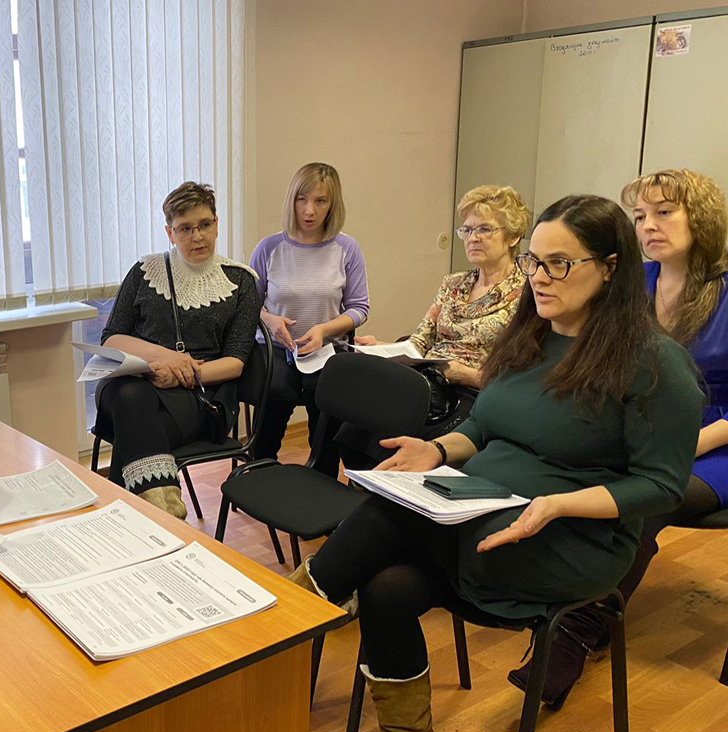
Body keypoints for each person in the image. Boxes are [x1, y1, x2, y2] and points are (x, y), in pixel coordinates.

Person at [290, 195, 703, 732]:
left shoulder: (656, 365)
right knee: (387, 587)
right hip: (481, 511)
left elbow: (661, 487)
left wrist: (559, 504)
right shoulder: (530, 334)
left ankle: (281, 628)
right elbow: (485, 425)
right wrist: (438, 449)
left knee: (389, 513)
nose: (539, 277)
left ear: (611, 267)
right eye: (535, 261)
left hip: (570, 540)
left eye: (559, 263)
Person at [507, 168, 728, 707]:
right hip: (641, 425)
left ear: (701, 218)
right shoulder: (634, 283)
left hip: (715, 441)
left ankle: (573, 634)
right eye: (640, 216)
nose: (648, 226)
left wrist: (686, 444)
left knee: (644, 499)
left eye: (664, 212)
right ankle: (560, 594)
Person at [95, 181, 261, 519]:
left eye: (205, 225)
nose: (197, 236)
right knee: (132, 397)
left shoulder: (240, 281)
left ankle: (139, 517)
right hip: (138, 381)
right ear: (170, 233)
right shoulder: (144, 272)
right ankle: (165, 516)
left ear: (217, 224)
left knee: (132, 423)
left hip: (201, 395)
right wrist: (164, 358)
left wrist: (183, 373)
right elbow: (111, 339)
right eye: (185, 228)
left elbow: (235, 363)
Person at [348, 185, 529, 451]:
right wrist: (381, 347)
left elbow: (522, 377)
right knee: (356, 420)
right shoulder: (453, 283)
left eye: (484, 229)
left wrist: (464, 375)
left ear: (513, 237)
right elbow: (419, 342)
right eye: (467, 230)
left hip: (475, 393)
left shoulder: (526, 294)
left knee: (399, 432)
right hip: (427, 381)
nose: (473, 238)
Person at [250, 163, 369, 470]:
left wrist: (324, 331)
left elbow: (359, 308)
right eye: (302, 200)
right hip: (276, 350)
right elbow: (248, 306)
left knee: (326, 402)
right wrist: (270, 320)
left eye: (320, 201)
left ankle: (321, 477)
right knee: (276, 394)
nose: (309, 210)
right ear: (292, 201)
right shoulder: (269, 248)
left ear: (333, 204)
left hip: (326, 350)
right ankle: (260, 473)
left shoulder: (347, 248)